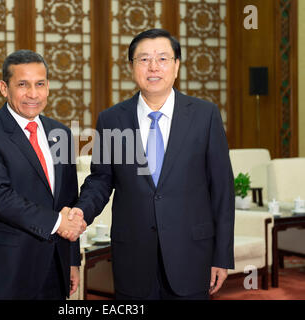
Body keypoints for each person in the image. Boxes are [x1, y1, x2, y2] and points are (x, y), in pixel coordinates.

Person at [68, 29, 235, 300]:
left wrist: (222, 255)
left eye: (162, 59)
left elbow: (222, 191)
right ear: (132, 67)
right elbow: (101, 179)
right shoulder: (112, 119)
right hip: (133, 256)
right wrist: (80, 213)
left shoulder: (205, 116)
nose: (153, 67)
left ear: (177, 65)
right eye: (143, 59)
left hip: (191, 254)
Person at [0, 50, 86, 300]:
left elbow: (68, 200)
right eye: (22, 85)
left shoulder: (60, 133)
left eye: (40, 84)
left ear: (48, 87)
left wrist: (72, 260)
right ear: (4, 88)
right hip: (3, 272)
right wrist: (59, 223)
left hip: (53, 268)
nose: (33, 94)